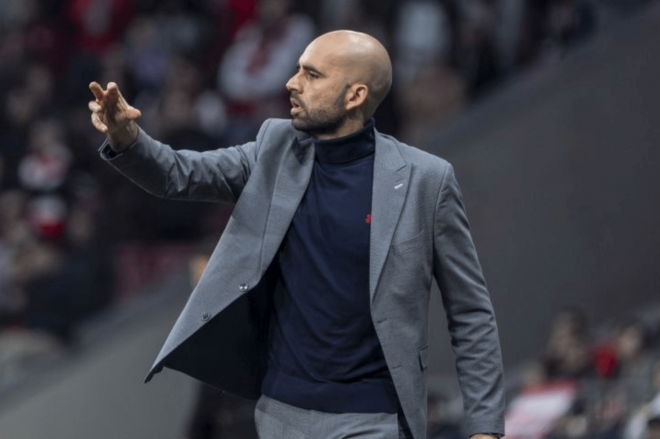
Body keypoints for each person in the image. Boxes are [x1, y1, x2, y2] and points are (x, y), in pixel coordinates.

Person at [88, 30, 505, 439]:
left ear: (355, 95)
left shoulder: (426, 181)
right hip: (280, 414)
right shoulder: (275, 148)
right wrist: (127, 138)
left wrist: (485, 427)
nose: (292, 82)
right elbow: (181, 175)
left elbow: (470, 311)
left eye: (312, 74)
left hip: (373, 417)